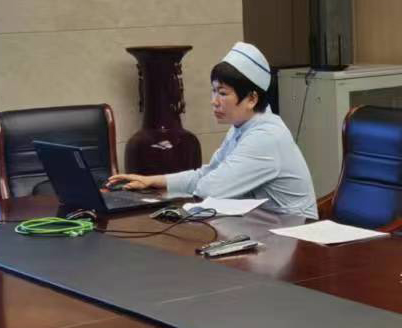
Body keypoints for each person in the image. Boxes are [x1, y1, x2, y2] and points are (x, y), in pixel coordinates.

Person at [107, 42, 317, 219]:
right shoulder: (242, 127)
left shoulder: (266, 137)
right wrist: (153, 181)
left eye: (222, 93)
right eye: (214, 91)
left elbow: (211, 189)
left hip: (295, 236)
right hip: (263, 226)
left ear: (252, 99)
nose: (214, 101)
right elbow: (207, 174)